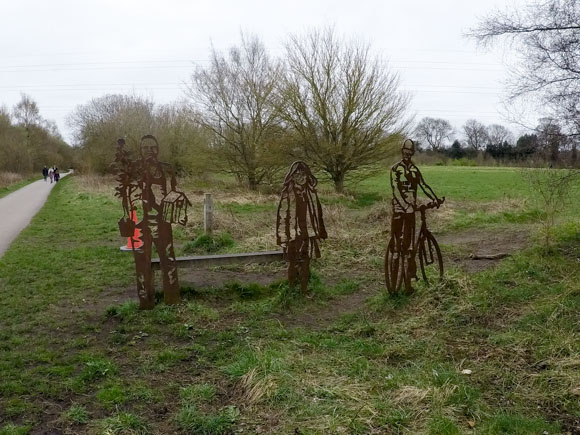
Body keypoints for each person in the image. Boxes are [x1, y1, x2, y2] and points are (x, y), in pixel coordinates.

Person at [115, 135, 190, 309]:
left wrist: (178, 210)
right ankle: (146, 300)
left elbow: (173, 193)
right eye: (146, 147)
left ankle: (172, 298)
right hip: (142, 223)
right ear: (140, 150)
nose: (150, 151)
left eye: (153, 147)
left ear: (158, 149)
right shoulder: (133, 169)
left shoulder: (166, 168)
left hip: (163, 222)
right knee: (142, 261)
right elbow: (127, 195)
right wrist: (127, 217)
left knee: (168, 258)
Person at [390, 139, 443, 293]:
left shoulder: (414, 169)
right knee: (396, 247)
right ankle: (393, 284)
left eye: (410, 152)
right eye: (405, 152)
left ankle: (408, 284)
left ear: (412, 153)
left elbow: (424, 185)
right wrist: (405, 206)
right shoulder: (395, 169)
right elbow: (395, 190)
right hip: (399, 210)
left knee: (408, 246)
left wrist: (435, 199)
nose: (407, 155)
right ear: (402, 152)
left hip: (411, 211)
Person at [276, 161, 327, 294]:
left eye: (303, 174)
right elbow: (283, 215)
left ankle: (304, 290)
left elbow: (317, 213)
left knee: (306, 262)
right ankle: (292, 290)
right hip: (293, 235)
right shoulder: (288, 195)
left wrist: (319, 231)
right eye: (297, 174)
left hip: (307, 234)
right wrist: (283, 237)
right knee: (293, 262)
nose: (300, 177)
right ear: (292, 177)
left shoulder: (310, 194)